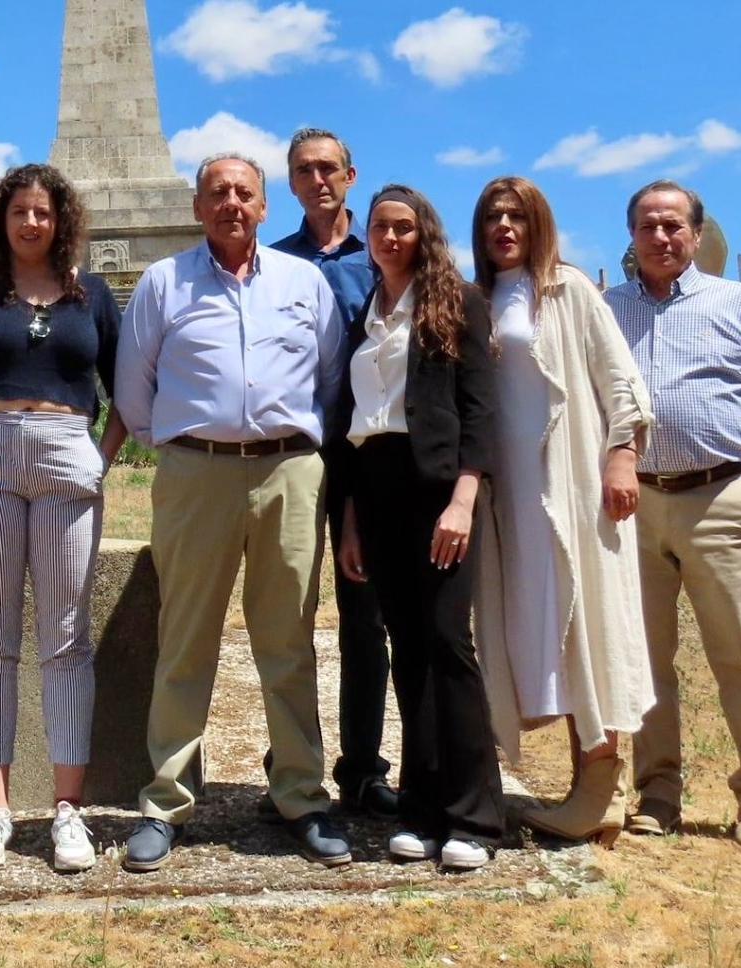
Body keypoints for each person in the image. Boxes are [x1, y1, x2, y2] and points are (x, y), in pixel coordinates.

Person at [114, 153, 349, 873]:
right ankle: (167, 801)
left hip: (288, 472)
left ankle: (301, 797)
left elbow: (332, 377)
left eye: (244, 193)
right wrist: (183, 445)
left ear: (264, 206)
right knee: (185, 641)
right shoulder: (163, 283)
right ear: (197, 206)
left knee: (289, 643)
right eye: (218, 193)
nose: (232, 204)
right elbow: (133, 387)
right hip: (196, 476)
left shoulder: (303, 282)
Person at [0, 163, 127, 873]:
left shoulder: (91, 297)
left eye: (43, 213)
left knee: (67, 640)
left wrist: (98, 459)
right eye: (19, 212)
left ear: (60, 220)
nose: (31, 223)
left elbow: (127, 389)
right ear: (1, 220)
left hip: (67, 454)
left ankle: (67, 811)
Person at [604, 179, 741, 856]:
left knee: (740, 654)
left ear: (696, 234)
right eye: (647, 227)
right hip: (634, 507)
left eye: (673, 226)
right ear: (631, 238)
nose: (661, 237)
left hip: (722, 499)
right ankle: (657, 793)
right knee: (646, 659)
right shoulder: (608, 311)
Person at [468, 176, 656, 847]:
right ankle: (574, 779)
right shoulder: (480, 298)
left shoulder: (568, 289)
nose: (504, 227)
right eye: (493, 217)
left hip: (571, 485)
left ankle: (599, 784)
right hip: (509, 497)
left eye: (517, 216)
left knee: (586, 622)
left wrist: (621, 459)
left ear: (538, 223)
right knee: (535, 627)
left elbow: (620, 383)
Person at [333, 185, 504, 871]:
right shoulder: (365, 312)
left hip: (437, 489)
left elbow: (479, 411)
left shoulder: (456, 302)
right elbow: (353, 427)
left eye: (403, 227)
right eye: (380, 227)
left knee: (446, 643)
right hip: (374, 490)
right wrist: (349, 521)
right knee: (407, 647)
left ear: (423, 233)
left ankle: (475, 816)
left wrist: (463, 500)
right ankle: (423, 806)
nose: (390, 237)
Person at [271, 127, 396, 820]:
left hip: (367, 458)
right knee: (284, 617)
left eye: (329, 168)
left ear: (350, 174)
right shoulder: (273, 261)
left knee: (363, 618)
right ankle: (287, 766)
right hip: (293, 452)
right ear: (290, 183)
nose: (318, 179)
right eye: (304, 171)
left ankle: (363, 769)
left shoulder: (380, 252)